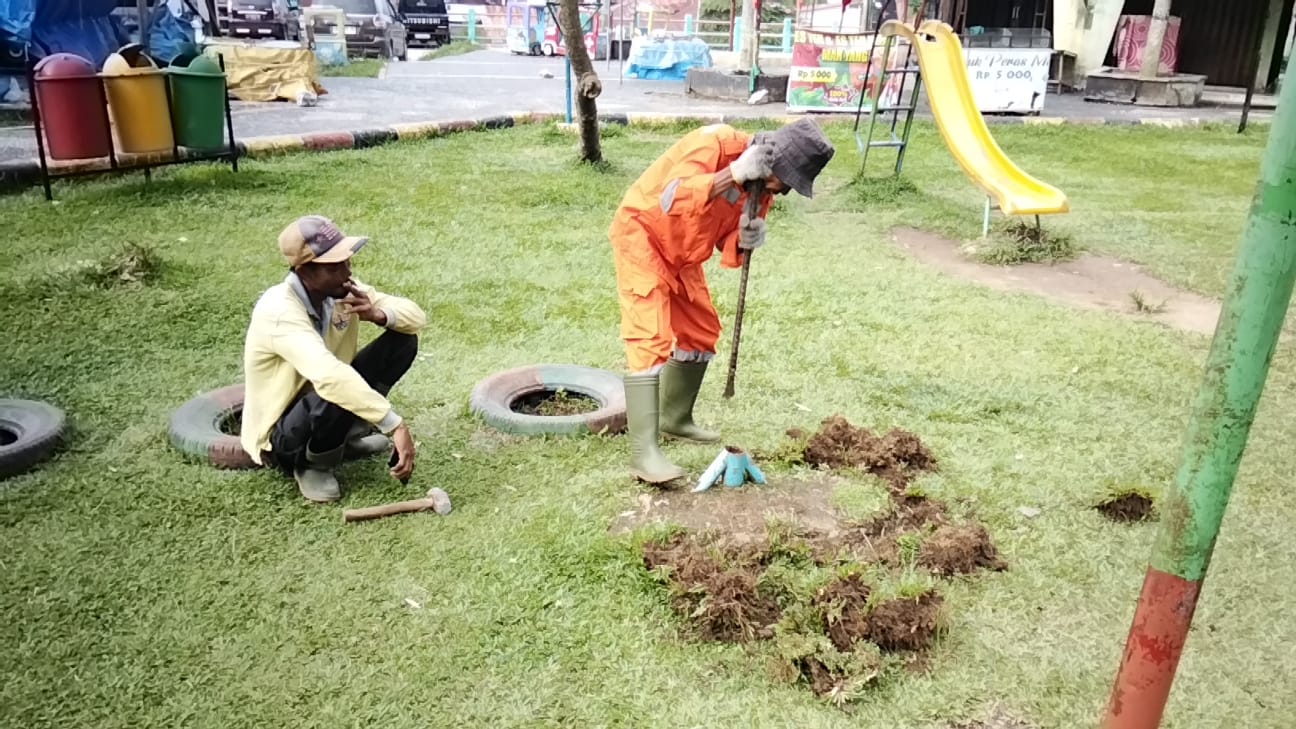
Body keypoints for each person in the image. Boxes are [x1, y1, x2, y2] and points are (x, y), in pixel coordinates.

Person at [608, 117, 836, 483]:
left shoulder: (763, 192)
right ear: (773, 160)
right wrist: (733, 173)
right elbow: (672, 197)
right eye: (787, 179)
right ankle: (644, 455)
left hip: (682, 253)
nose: (784, 191)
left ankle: (674, 419)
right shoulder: (715, 144)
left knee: (701, 331)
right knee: (649, 335)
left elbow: (726, 248)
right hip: (644, 233)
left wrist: (745, 241)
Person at [240, 215, 428, 503]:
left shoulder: (339, 291)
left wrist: (378, 314)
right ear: (305, 271)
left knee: (401, 340)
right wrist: (394, 424)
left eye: (347, 261)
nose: (347, 271)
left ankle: (344, 439)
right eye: (335, 266)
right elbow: (328, 376)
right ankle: (313, 463)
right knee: (334, 383)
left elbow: (415, 317)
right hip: (283, 437)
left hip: (325, 399)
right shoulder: (278, 311)